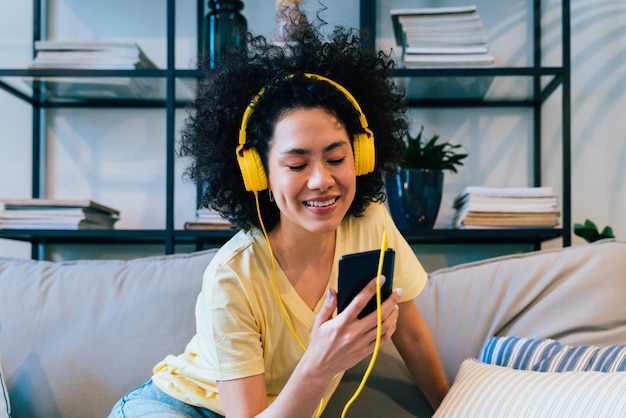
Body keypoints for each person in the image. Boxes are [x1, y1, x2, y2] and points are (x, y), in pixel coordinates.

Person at [109, 17, 448, 418]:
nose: (322, 180)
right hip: (175, 406)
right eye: (296, 164)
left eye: (337, 158)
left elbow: (409, 331)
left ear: (361, 157)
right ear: (259, 175)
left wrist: (455, 410)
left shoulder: (371, 223)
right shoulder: (233, 276)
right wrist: (322, 364)